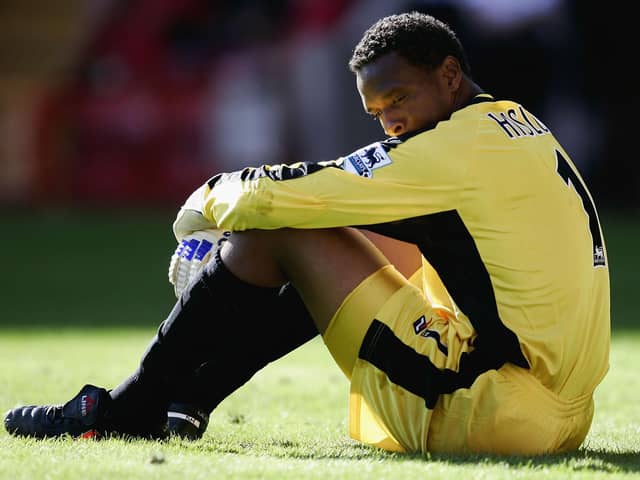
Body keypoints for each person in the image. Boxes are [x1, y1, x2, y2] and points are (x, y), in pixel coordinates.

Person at [4, 11, 610, 455]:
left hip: (490, 406)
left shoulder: (447, 152)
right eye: (379, 113)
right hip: (566, 411)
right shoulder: (518, 123)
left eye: (400, 99)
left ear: (450, 75)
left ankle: (125, 410)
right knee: (371, 235)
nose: (393, 123)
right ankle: (187, 402)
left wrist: (203, 204)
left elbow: (297, 191)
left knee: (281, 228)